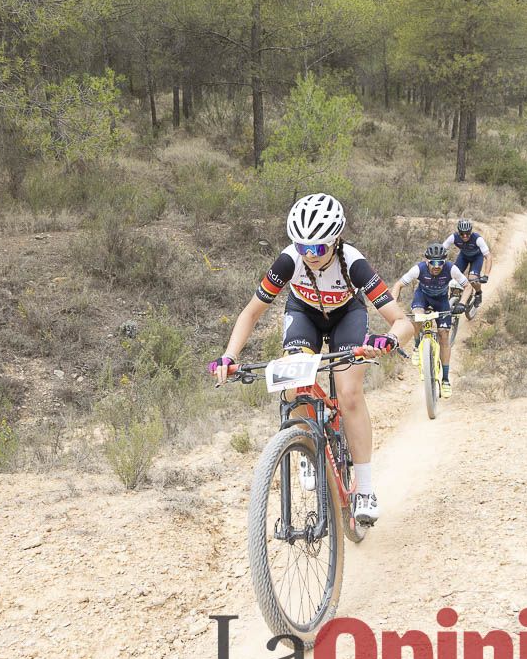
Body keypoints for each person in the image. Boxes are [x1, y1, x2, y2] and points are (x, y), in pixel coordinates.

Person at [209, 193, 414, 525]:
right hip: (304, 314)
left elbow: (402, 322)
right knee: (292, 382)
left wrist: (388, 340)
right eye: (301, 246)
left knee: (349, 394)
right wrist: (228, 356)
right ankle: (305, 441)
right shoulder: (289, 262)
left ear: (334, 242)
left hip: (346, 317)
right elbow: (251, 314)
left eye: (317, 248)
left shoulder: (355, 263)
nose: (309, 255)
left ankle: (365, 488)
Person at [393, 243, 474, 397]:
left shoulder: (451, 269)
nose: (437, 266)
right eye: (433, 263)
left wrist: (462, 304)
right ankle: (417, 346)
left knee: (444, 335)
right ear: (426, 261)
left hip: (441, 301)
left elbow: (468, 287)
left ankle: (445, 379)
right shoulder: (418, 269)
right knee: (417, 316)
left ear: (445, 262)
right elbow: (398, 285)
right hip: (422, 297)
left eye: (440, 263)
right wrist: (393, 303)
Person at [443, 219, 492, 305]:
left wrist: (486, 275)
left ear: (471, 232)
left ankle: (478, 293)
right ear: (459, 232)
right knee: (452, 275)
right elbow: (441, 250)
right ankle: (452, 298)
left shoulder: (477, 239)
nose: (465, 236)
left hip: (477, 258)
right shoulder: (454, 237)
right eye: (462, 234)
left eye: (467, 233)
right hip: (463, 257)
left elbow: (488, 257)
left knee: (472, 279)